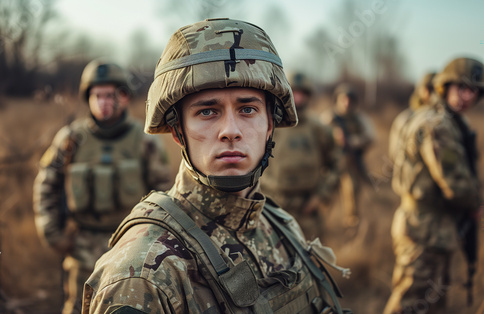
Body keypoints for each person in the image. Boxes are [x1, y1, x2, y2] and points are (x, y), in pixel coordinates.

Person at [82, 18, 350, 314]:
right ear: (177, 130)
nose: (230, 131)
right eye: (208, 111)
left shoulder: (282, 226)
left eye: (248, 109)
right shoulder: (143, 275)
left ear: (270, 125)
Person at [33, 59, 173, 314]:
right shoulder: (71, 139)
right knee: (78, 307)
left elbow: (164, 194)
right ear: (88, 97)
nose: (103, 102)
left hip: (132, 247)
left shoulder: (144, 141)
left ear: (124, 97)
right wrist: (52, 232)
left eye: (110, 95)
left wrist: (155, 242)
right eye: (96, 95)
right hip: (82, 246)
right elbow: (46, 185)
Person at [384, 57, 483, 314]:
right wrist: (476, 204)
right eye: (461, 88)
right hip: (424, 229)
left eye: (473, 91)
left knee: (431, 304)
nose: (467, 96)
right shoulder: (439, 126)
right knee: (410, 303)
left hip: (433, 227)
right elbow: (456, 184)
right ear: (445, 87)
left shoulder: (443, 121)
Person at [260, 72, 341, 239]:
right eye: (292, 92)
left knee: (311, 259)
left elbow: (337, 164)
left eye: (301, 93)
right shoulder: (266, 126)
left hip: (307, 210)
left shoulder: (319, 129)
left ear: (308, 96)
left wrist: (320, 196)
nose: (297, 98)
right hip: (271, 207)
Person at [322, 84, 375, 228]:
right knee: (325, 194)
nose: (346, 103)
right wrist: (335, 139)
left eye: (350, 100)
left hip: (352, 162)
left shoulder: (359, 118)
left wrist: (353, 141)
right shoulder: (330, 118)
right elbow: (320, 139)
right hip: (332, 164)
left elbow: (370, 137)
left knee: (352, 193)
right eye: (343, 99)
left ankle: (352, 226)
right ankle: (323, 224)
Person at [388, 72, 436, 163]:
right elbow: (396, 155)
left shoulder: (444, 120)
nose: (430, 93)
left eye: (434, 89)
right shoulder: (405, 119)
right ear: (420, 90)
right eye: (428, 88)